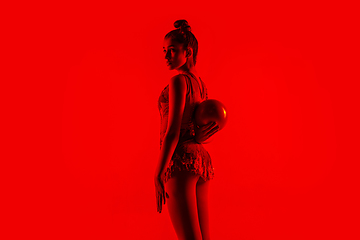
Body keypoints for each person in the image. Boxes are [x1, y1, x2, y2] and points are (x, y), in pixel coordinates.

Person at [154, 19, 219, 240]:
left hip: (180, 160)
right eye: (165, 51)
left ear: (188, 52)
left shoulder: (178, 81)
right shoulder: (200, 83)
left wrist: (158, 172)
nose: (166, 56)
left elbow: (172, 131)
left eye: (171, 51)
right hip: (201, 161)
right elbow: (202, 129)